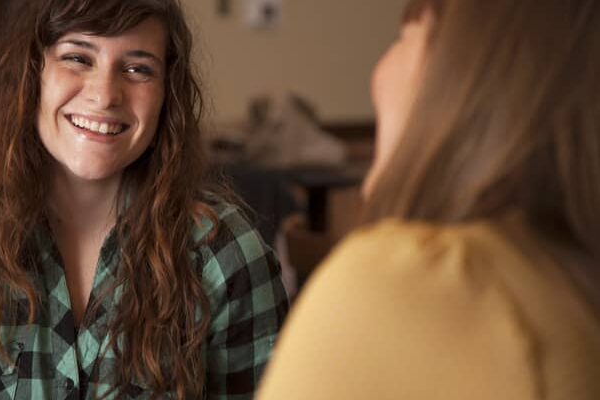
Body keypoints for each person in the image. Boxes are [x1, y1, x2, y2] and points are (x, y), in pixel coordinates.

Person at [0, 0, 288, 398]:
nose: (105, 94)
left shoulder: (226, 253)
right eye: (78, 58)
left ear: (167, 96)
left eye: (138, 68)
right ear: (32, 71)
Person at [257, 0, 600, 398]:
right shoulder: (562, 286)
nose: (377, 74)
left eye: (405, 37)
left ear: (466, 72)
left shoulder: (410, 283)